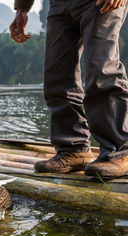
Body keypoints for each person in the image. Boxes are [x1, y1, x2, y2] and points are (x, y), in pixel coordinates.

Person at [9, 0, 128, 178]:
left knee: (101, 71)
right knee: (57, 76)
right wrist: (22, 8)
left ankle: (120, 152)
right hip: (59, 4)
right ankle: (73, 148)